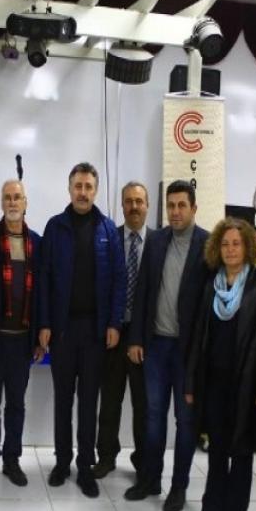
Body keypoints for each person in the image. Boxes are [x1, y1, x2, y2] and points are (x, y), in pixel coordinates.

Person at [38, 162, 125, 498]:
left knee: (89, 402)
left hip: (94, 332)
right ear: (69, 188)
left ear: (96, 190)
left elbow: (118, 280)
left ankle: (85, 467)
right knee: (63, 400)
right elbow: (44, 278)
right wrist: (45, 323)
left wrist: (114, 323)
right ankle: (62, 463)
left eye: (88, 186)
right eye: (78, 186)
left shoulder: (107, 230)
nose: (83, 192)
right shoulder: (55, 227)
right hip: (62, 331)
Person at [185, 217, 256, 511]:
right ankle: (211, 509)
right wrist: (191, 382)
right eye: (225, 244)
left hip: (247, 386)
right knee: (216, 451)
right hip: (214, 383)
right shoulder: (212, 284)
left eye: (236, 243)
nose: (231, 249)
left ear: (247, 246)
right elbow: (199, 335)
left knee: (240, 454)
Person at [125, 179, 209, 511]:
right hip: (156, 346)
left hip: (188, 352)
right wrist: (135, 338)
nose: (175, 212)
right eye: (171, 206)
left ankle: (179, 487)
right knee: (153, 416)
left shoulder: (207, 245)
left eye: (181, 206)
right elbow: (143, 291)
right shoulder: (157, 240)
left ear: (193, 208)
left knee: (185, 422)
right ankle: (150, 479)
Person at [0, 179, 43, 488]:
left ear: (26, 203)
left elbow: (41, 294)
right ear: (1, 203)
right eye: (8, 197)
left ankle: (11, 461)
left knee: (16, 405)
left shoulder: (38, 244)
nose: (13, 202)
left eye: (17, 197)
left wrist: (40, 335)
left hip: (22, 341)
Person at [92, 181, 151, 480]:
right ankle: (106, 457)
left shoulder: (158, 243)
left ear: (147, 205)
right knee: (110, 400)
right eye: (128, 201)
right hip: (113, 332)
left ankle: (143, 461)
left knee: (143, 404)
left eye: (139, 201)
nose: (134, 207)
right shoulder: (109, 237)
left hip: (144, 337)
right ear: (122, 205)